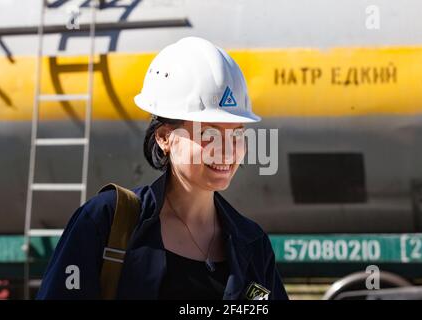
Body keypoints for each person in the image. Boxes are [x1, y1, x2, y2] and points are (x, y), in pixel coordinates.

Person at [37, 37, 288, 300]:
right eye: (209, 133)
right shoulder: (107, 222)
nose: (226, 150)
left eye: (236, 134)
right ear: (164, 138)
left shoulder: (252, 242)